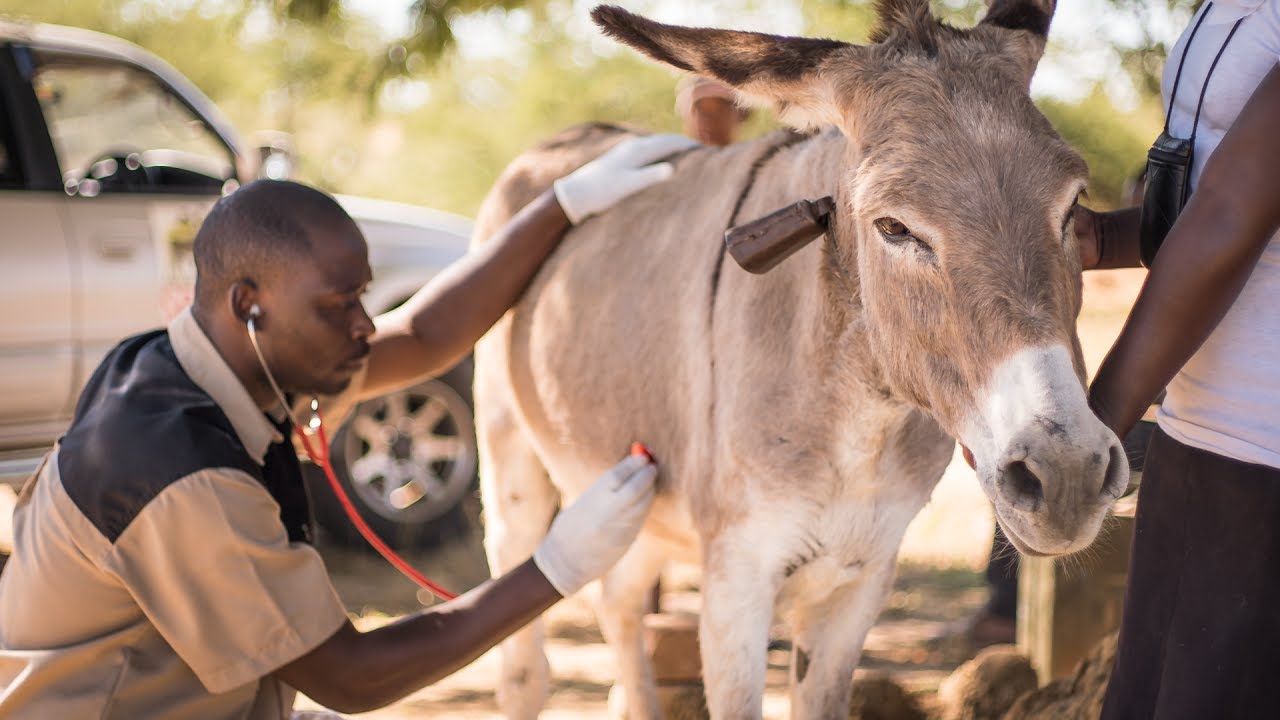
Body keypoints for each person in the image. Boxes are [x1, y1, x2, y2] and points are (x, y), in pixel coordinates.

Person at [0, 132, 697, 718]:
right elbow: (350, 676)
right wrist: (558, 565)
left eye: (363, 296)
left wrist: (560, 207)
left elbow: (425, 334)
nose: (364, 325)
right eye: (340, 306)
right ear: (251, 304)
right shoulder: (178, 471)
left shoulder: (200, 362)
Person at [1069, 0, 1280, 715]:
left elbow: (1231, 211)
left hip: (1265, 443)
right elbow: (1204, 188)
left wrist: (1092, 423)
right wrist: (1105, 237)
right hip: (1195, 426)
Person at [675, 75, 750, 147]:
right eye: (701, 110)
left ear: (741, 114)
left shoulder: (751, 157)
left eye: (720, 110)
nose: (709, 121)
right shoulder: (670, 157)